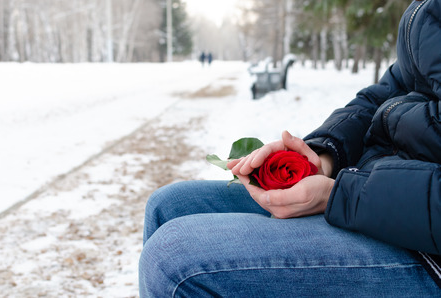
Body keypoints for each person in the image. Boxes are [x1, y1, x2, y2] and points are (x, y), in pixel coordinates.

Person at [139, 0, 441, 296]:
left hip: (425, 250)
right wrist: (324, 157)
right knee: (169, 206)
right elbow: (384, 96)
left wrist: (345, 194)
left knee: (173, 261)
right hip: (374, 188)